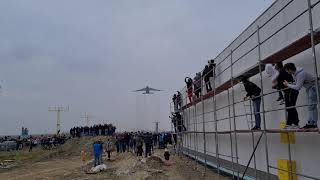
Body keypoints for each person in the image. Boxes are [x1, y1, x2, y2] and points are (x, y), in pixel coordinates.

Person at [284, 63, 318, 129]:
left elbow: (298, 87)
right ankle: (310, 122)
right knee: (310, 106)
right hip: (309, 87)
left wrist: (288, 85)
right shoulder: (295, 74)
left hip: (313, 87)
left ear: (290, 69)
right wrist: (290, 84)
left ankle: (313, 123)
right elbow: (297, 83)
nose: (287, 72)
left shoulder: (300, 74)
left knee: (312, 106)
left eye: (287, 70)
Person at [275, 62, 299, 129]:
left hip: (290, 90)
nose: (274, 67)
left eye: (275, 65)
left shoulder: (283, 72)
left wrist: (276, 85)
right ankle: (290, 123)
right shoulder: (282, 72)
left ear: (278, 66)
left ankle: (295, 123)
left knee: (290, 107)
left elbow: (283, 82)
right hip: (289, 90)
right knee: (289, 107)